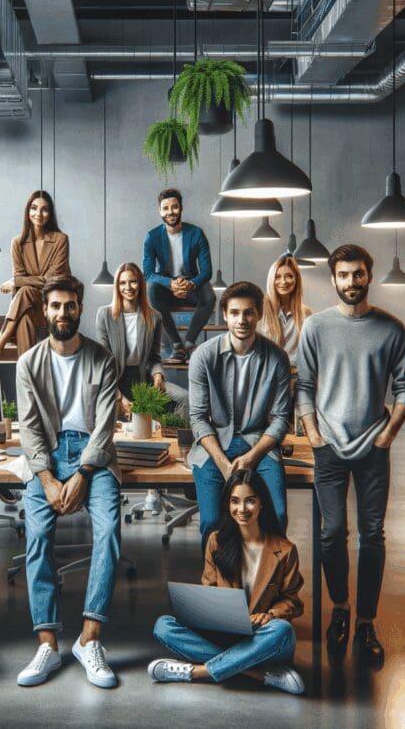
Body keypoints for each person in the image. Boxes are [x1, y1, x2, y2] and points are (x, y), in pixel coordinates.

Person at [295, 244, 405, 667]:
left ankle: (366, 622)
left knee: (372, 535)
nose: (351, 281)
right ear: (333, 279)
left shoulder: (391, 329)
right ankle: (341, 608)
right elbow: (304, 387)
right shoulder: (316, 327)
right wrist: (314, 435)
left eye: (358, 273)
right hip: (328, 446)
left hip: (373, 448)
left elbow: (404, 390)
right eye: (343, 275)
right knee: (331, 533)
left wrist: (388, 435)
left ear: (369, 276)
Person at [12, 276, 122, 690]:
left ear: (79, 308)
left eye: (70, 305)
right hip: (47, 454)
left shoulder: (102, 359)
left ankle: (90, 639)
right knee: (38, 535)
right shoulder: (28, 363)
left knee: (109, 531)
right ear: (45, 311)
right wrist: (47, 478)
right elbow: (29, 429)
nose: (63, 313)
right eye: (55, 306)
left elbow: (105, 426)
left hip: (94, 456)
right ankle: (47, 643)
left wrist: (83, 474)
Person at [147, 469, 305, 694]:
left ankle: (196, 671)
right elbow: (209, 589)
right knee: (163, 626)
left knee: (283, 631)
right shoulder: (216, 541)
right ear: (227, 504)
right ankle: (258, 674)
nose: (242, 509)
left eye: (250, 501)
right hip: (225, 635)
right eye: (235, 501)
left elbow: (293, 601)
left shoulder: (285, 550)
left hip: (261, 638)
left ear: (262, 504)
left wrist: (270, 615)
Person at [187, 281, 292, 550]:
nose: (242, 320)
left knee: (277, 516)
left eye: (248, 312)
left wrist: (252, 456)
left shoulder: (277, 358)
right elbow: (198, 417)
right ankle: (216, 577)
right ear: (225, 315)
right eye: (234, 313)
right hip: (214, 446)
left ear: (259, 314)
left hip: (259, 444)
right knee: (211, 522)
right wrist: (223, 463)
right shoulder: (203, 356)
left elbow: (281, 418)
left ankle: (268, 577)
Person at [95, 262, 188, 516]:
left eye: (133, 281)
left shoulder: (153, 316)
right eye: (123, 282)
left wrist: (158, 374)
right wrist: (119, 397)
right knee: (122, 428)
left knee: (184, 399)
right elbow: (103, 364)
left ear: (141, 284)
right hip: (114, 381)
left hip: (144, 379)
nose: (128, 287)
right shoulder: (105, 315)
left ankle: (166, 473)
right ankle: (108, 486)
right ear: (117, 286)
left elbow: (155, 357)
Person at [0, 190, 71, 361]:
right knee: (24, 316)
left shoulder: (61, 240)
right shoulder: (17, 243)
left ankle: (2, 338)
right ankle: (28, 369)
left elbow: (52, 280)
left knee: (24, 290)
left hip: (52, 303)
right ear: (27, 211)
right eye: (34, 208)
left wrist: (16, 281)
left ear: (50, 213)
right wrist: (18, 281)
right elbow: (20, 282)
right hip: (28, 307)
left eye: (44, 209)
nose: (38, 213)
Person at [142, 188, 215, 362]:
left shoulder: (196, 234)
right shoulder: (152, 236)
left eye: (174, 207)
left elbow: (207, 271)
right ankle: (177, 346)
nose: (170, 212)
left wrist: (191, 284)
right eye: (165, 208)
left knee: (210, 296)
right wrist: (170, 283)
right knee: (152, 290)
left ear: (181, 208)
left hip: (192, 285)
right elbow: (148, 273)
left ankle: (189, 342)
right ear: (160, 211)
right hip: (166, 288)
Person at [258, 255, 313, 358]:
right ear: (271, 279)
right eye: (277, 277)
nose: (283, 282)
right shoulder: (260, 310)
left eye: (289, 276)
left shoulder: (306, 313)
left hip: (296, 368)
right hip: (268, 368)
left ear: (296, 280)